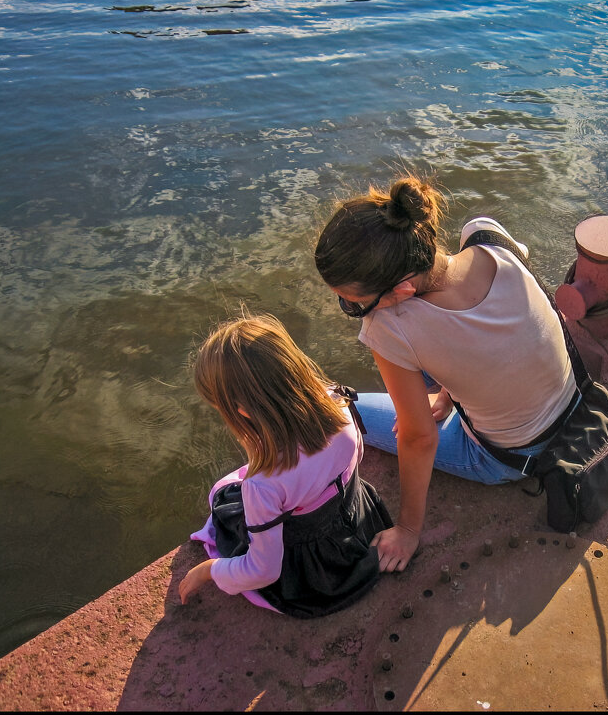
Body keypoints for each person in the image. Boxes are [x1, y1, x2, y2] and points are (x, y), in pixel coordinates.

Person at [314, 173, 577, 574]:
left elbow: (419, 438)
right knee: (420, 360)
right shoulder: (487, 235)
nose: (352, 311)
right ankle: (442, 393)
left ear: (402, 290)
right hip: (570, 410)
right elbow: (496, 325)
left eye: (354, 305)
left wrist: (407, 529)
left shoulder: (391, 326)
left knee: (336, 407)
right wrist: (447, 394)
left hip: (509, 457)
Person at [180, 312, 393, 617]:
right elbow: (354, 459)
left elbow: (263, 571)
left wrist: (209, 570)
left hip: (315, 574)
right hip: (358, 523)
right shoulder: (341, 404)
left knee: (224, 500)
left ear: (242, 411)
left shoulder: (263, 484)